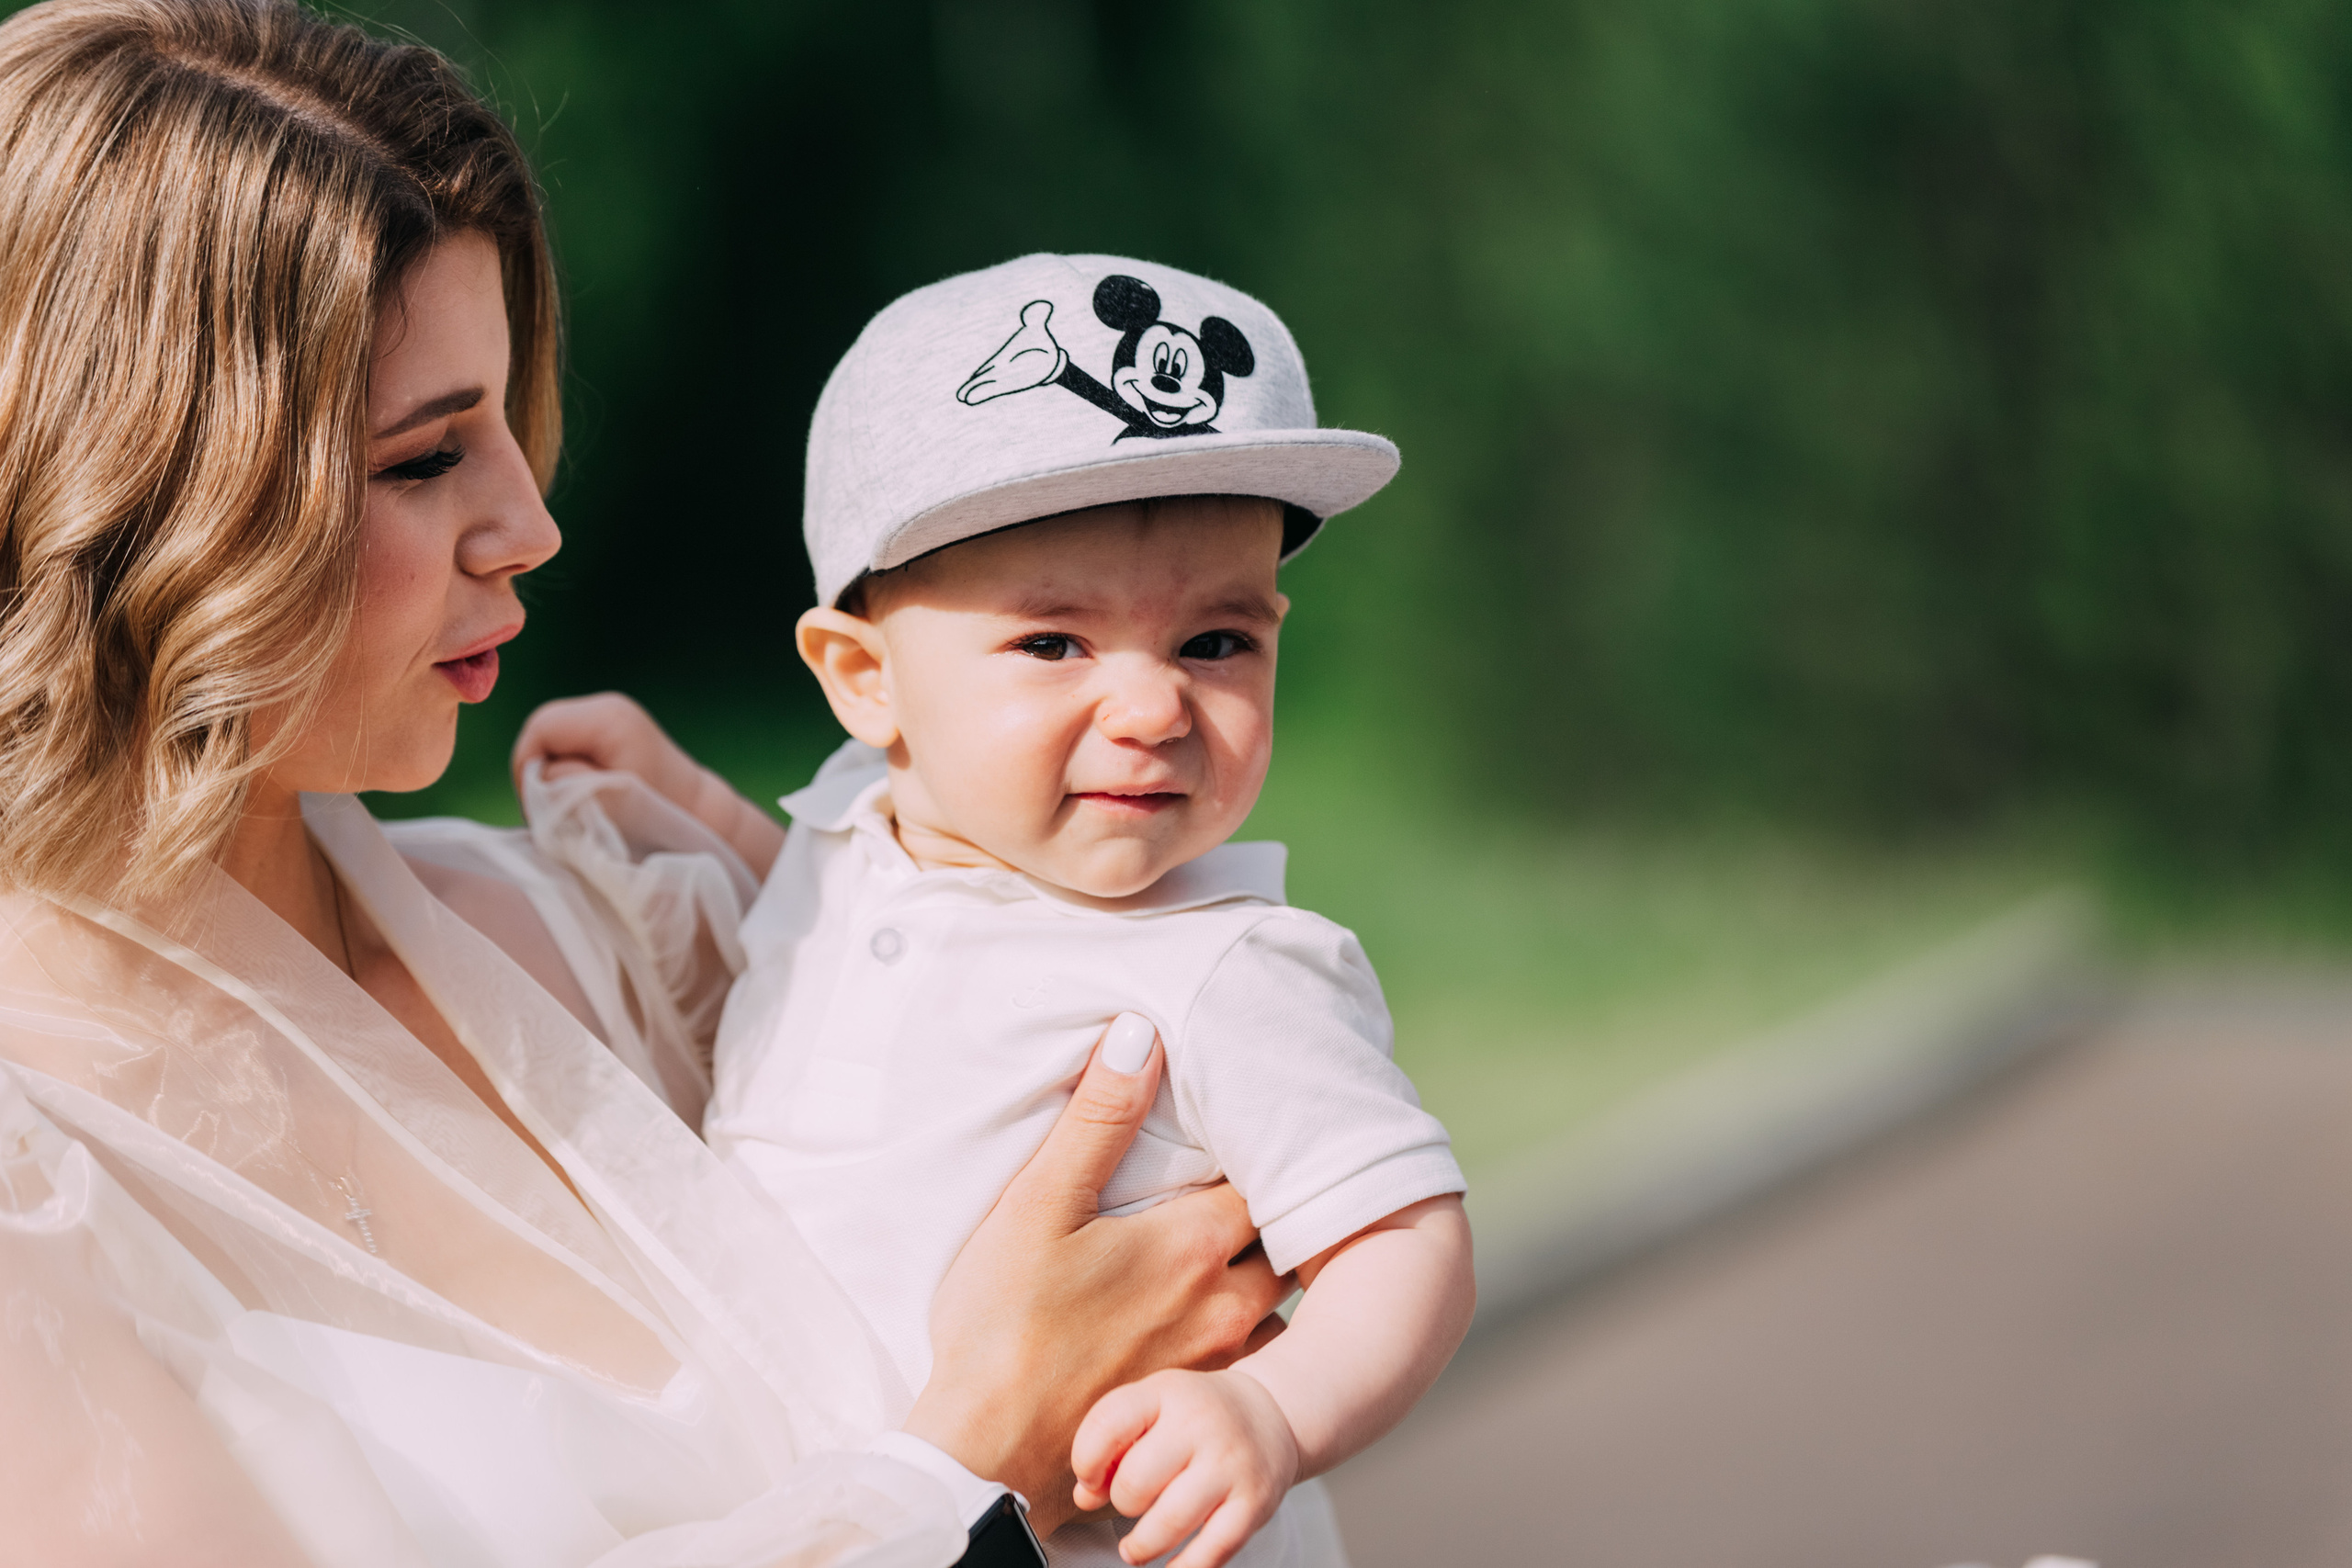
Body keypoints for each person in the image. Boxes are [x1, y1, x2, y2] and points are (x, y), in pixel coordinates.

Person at [0, 8, 1291, 1565]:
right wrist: (970, 1461)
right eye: (424, 460)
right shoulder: (36, 1200)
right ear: (138, 504)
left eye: (507, 428)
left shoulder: (611, 939)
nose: (529, 525)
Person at [514, 256, 1478, 1568]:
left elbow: (1409, 1241)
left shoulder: (1229, 969)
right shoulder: (872, 823)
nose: (1151, 708)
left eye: (1217, 643)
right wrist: (675, 788)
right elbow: (799, 908)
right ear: (865, 682)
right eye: (1054, 644)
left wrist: (1269, 1409)